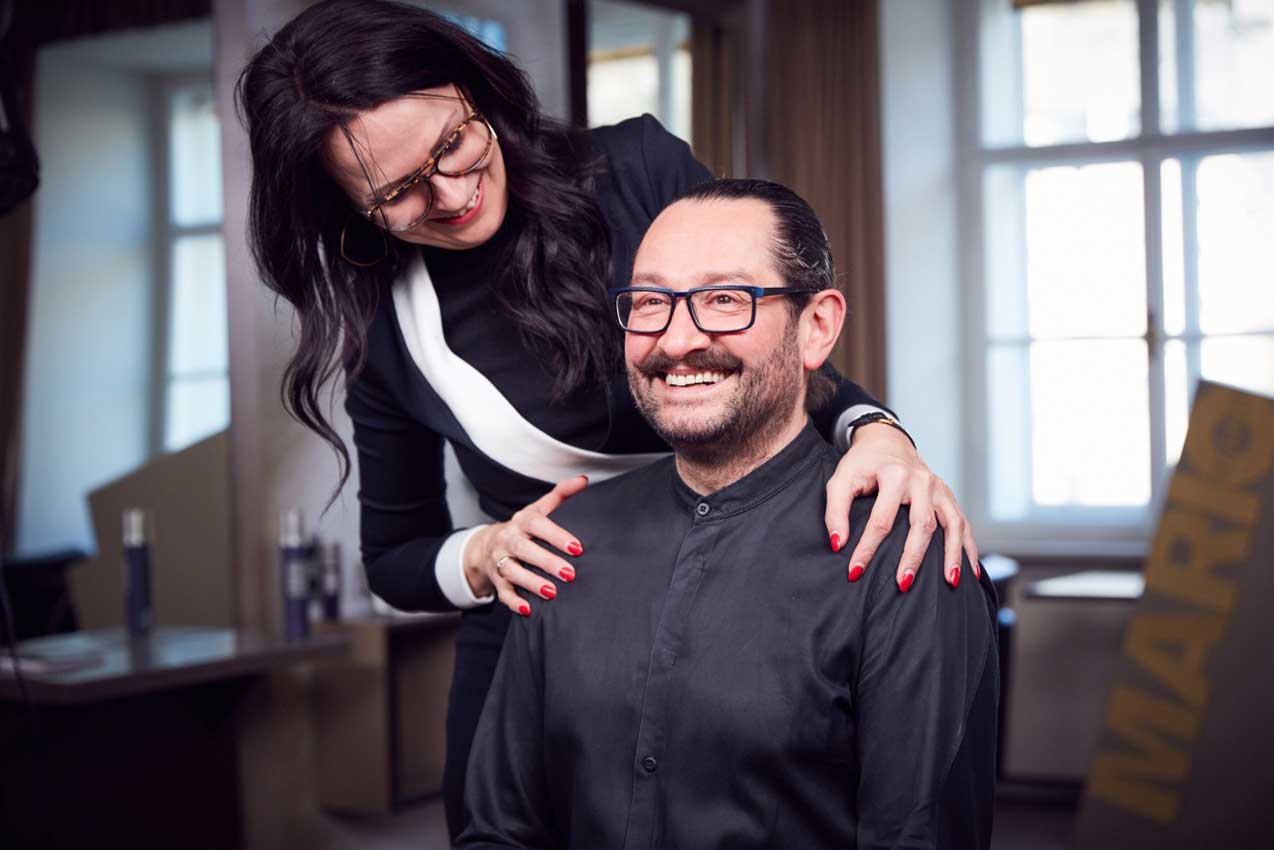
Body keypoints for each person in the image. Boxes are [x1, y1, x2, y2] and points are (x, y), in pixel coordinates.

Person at [235, 0, 981, 837]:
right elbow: (395, 557)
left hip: (750, 589)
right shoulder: (387, 330)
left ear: (474, 90)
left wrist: (878, 431)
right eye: (398, 192)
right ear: (348, 209)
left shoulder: (633, 170)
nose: (451, 192)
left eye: (452, 143)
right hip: (544, 623)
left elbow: (760, 333)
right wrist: (483, 553)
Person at [459, 178, 999, 849]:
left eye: (724, 299)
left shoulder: (904, 554)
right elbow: (499, 831)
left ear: (817, 327)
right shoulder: (563, 541)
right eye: (650, 302)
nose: (677, 339)